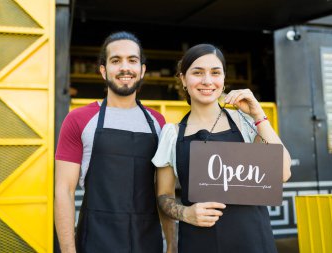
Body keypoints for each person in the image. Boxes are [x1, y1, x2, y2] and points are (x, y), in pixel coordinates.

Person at [152, 44, 292, 253]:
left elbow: (282, 173)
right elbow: (163, 195)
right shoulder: (171, 134)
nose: (207, 81)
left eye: (215, 73)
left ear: (224, 79)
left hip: (253, 241)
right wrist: (185, 213)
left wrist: (258, 115)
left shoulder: (245, 122)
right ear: (183, 79)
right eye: (197, 73)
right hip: (199, 243)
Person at [55, 31, 176, 253]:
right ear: (103, 70)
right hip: (94, 241)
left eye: (132, 60)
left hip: (146, 241)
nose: (124, 68)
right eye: (115, 60)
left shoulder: (157, 122)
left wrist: (171, 245)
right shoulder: (79, 119)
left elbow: (164, 192)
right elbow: (64, 190)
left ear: (142, 70)